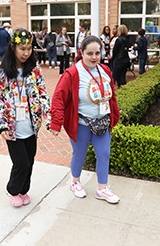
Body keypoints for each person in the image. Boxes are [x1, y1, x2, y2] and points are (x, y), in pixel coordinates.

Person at [49, 35, 121, 204]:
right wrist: (56, 122)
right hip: (81, 124)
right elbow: (59, 97)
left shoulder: (105, 70)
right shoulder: (72, 73)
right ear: (81, 52)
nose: (94, 57)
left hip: (101, 122)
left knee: (104, 154)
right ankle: (75, 182)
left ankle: (102, 188)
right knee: (79, 154)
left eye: (97, 53)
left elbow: (112, 96)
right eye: (90, 53)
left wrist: (114, 115)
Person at [0, 28, 51, 207]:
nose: (26, 53)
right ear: (13, 47)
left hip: (31, 125)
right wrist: (2, 125)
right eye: (22, 48)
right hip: (12, 126)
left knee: (30, 161)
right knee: (21, 163)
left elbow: (43, 94)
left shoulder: (34, 70)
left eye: (29, 48)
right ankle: (12, 190)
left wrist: (48, 117)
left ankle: (24, 190)